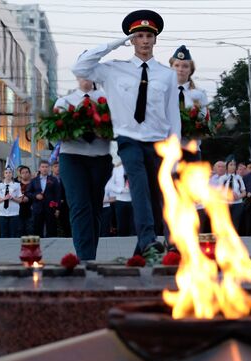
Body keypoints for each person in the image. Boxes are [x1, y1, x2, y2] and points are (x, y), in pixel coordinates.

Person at [73, 9, 181, 255]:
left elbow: (173, 114)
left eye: (148, 36)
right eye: (139, 36)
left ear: (155, 40)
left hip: (158, 142)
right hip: (129, 139)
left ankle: (142, 251)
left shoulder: (167, 75)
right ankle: (148, 240)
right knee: (140, 186)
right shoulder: (113, 69)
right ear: (132, 40)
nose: (144, 41)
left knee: (156, 196)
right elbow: (80, 67)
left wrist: (174, 151)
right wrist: (114, 43)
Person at [54, 79, 113, 258]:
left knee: (94, 207)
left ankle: (90, 255)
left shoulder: (107, 100)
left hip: (99, 158)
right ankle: (85, 258)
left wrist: (104, 129)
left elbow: (120, 126)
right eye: (83, 73)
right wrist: (69, 131)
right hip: (72, 157)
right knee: (80, 205)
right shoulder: (65, 101)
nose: (86, 78)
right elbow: (53, 133)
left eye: (90, 73)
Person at [169, 44, 209, 162]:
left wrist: (192, 127)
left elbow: (204, 120)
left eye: (185, 66)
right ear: (171, 67)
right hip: (169, 150)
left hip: (191, 149)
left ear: (191, 70)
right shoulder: (164, 91)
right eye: (176, 65)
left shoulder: (199, 94)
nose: (180, 69)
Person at [26, 160, 61, 238]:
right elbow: (28, 193)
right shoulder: (34, 180)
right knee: (37, 229)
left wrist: (58, 209)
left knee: (51, 229)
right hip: (37, 208)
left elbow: (58, 195)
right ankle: (38, 248)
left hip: (51, 208)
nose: (44, 169)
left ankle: (52, 247)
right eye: (43, 167)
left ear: (49, 168)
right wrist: (35, 196)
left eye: (46, 167)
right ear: (39, 168)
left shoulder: (53, 180)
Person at [218, 159, 246, 233]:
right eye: (231, 165)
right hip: (225, 203)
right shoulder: (222, 178)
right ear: (227, 166)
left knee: (235, 222)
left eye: (234, 165)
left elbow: (244, 192)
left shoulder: (238, 178)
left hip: (237, 203)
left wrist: (238, 196)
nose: (233, 167)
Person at [0, 167, 22, 238]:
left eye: (10, 172)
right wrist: (4, 198)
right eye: (6, 173)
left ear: (12, 174)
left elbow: (20, 200)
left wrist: (12, 198)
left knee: (13, 234)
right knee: (3, 234)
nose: (8, 174)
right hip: (2, 213)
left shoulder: (17, 185)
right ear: (4, 174)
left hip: (14, 213)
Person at [110, 162, 136, 236]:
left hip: (133, 200)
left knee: (134, 226)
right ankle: (121, 243)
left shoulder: (134, 167)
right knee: (121, 226)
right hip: (120, 200)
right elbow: (111, 184)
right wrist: (120, 190)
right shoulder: (116, 169)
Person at [17, 166, 33, 236]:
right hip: (19, 211)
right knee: (20, 231)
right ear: (20, 174)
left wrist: (29, 198)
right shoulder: (16, 185)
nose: (25, 174)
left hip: (31, 211)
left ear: (30, 173)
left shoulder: (34, 184)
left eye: (27, 172)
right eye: (23, 173)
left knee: (31, 231)